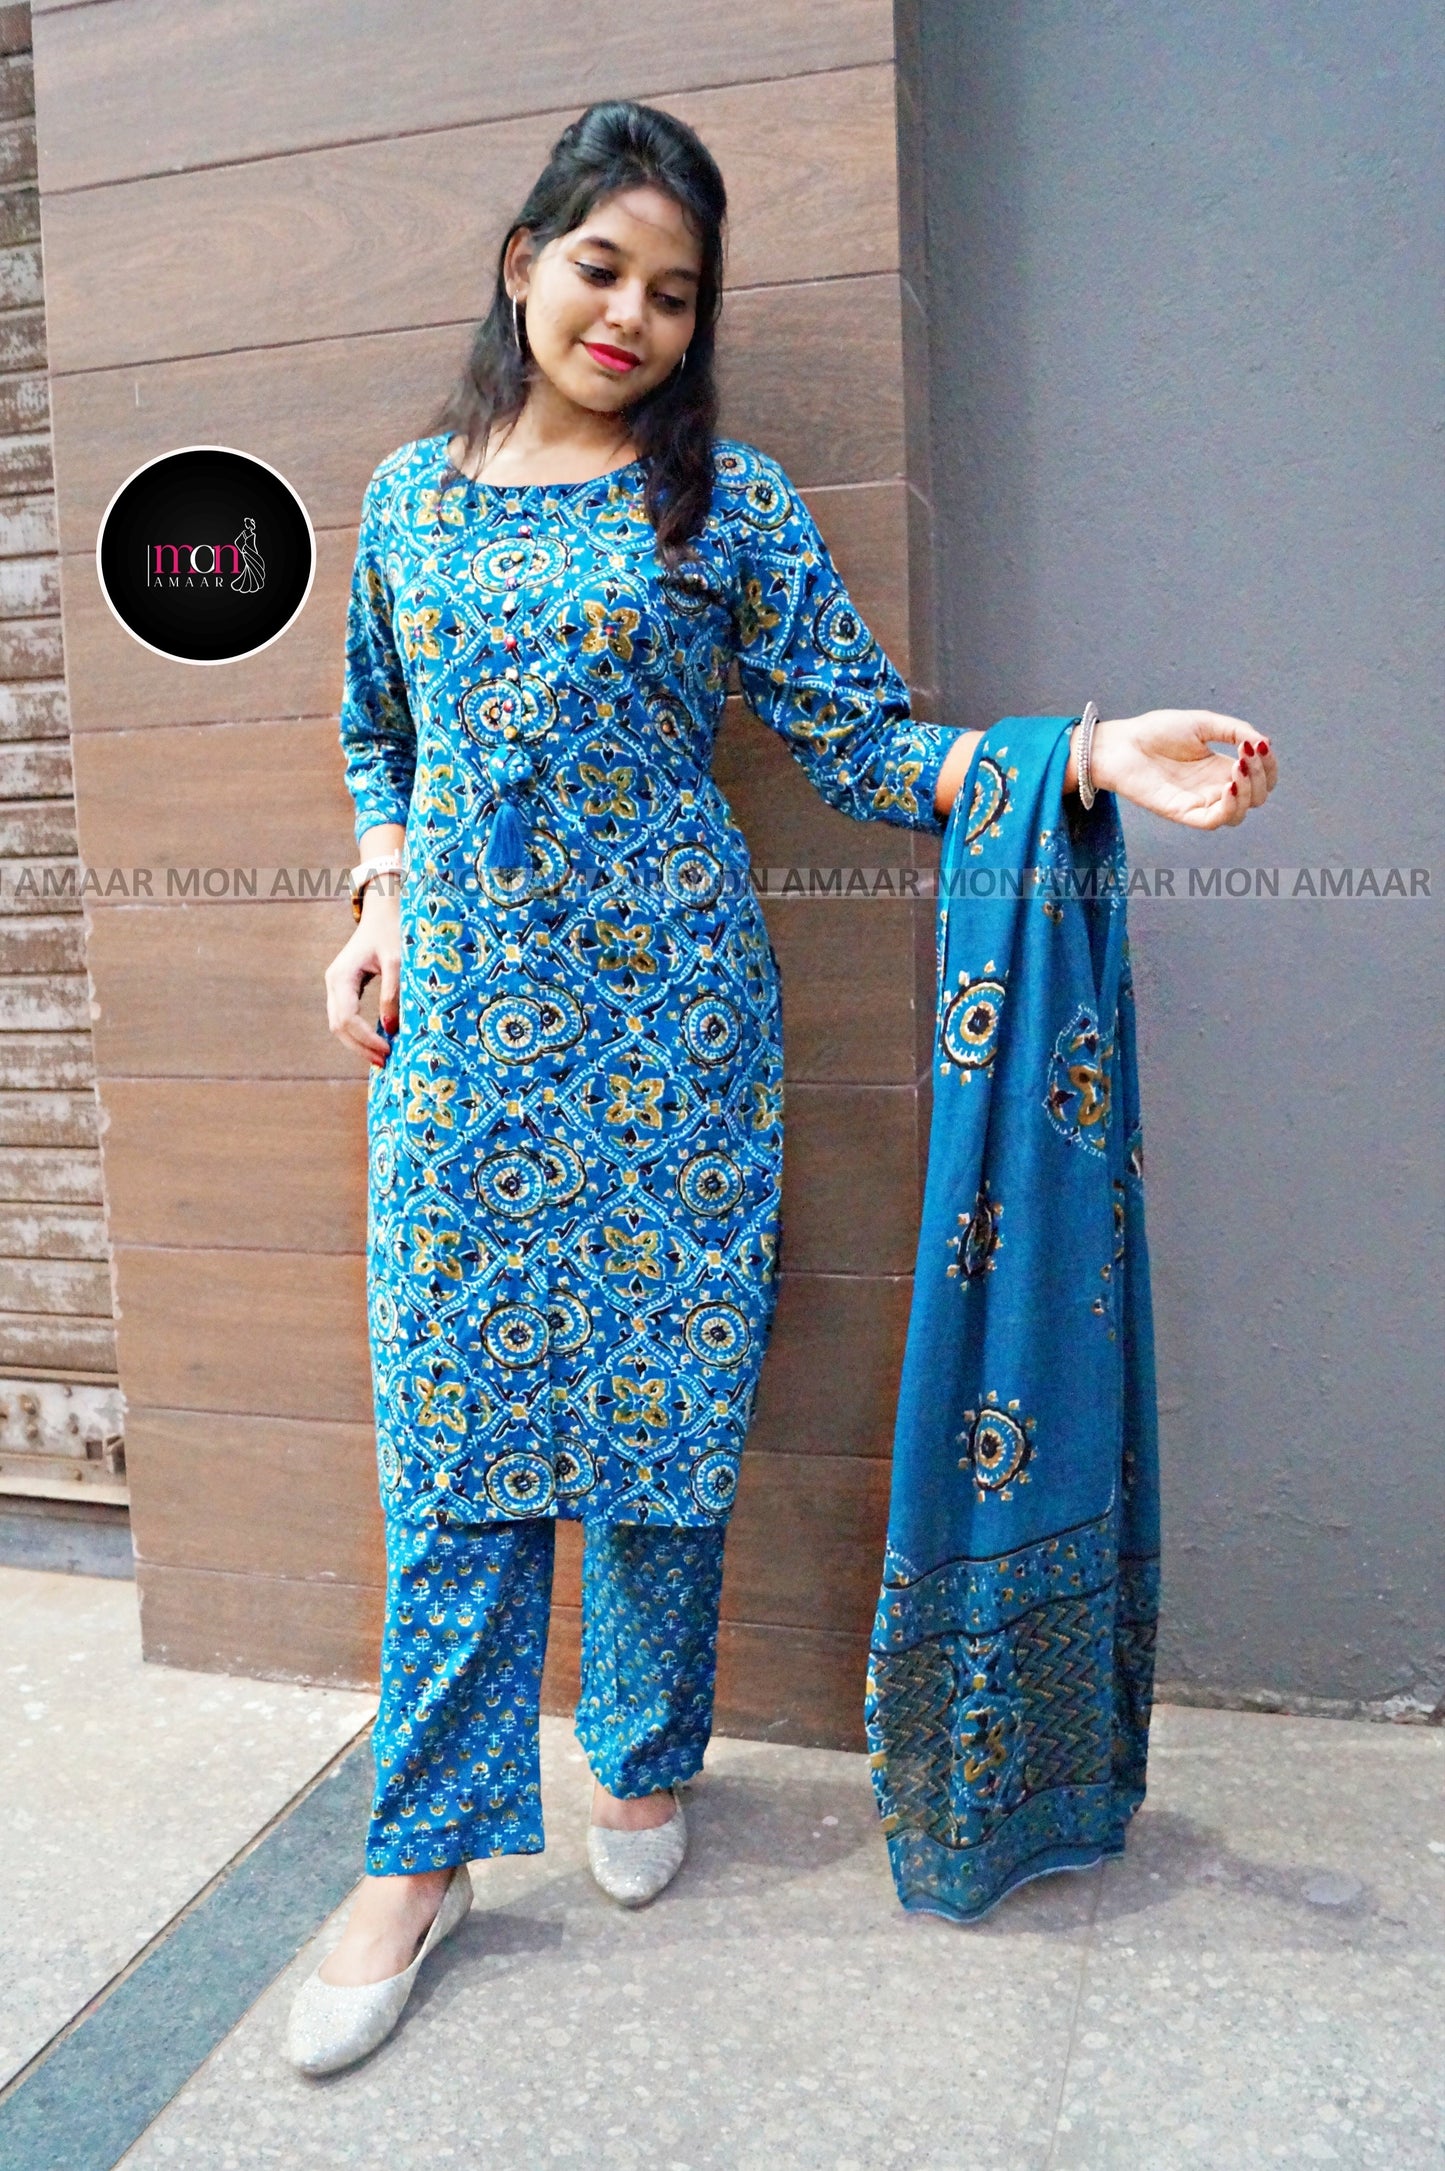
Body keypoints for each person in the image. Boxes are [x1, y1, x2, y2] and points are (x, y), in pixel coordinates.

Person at [290, 99, 1276, 2076]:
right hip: (465, 1054)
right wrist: (377, 903)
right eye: (601, 270)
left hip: (681, 1045)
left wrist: (1083, 757)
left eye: (675, 294)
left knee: (665, 1428)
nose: (631, 318)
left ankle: (644, 1754)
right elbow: (379, 733)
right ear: (523, 263)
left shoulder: (722, 505)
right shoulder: (407, 503)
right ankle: (422, 1854)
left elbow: (863, 743)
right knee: (457, 1445)